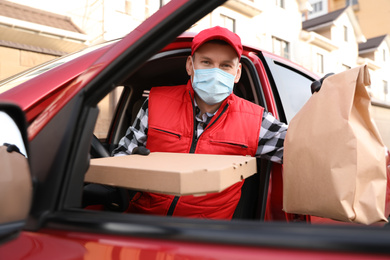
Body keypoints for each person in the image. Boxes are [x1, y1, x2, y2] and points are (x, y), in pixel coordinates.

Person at [113, 26, 287, 219]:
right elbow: (119, 157)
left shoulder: (257, 121)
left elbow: (305, 151)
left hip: (204, 236)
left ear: (237, 73)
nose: (215, 72)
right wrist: (134, 164)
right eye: (206, 62)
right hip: (143, 223)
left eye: (225, 66)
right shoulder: (155, 102)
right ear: (190, 65)